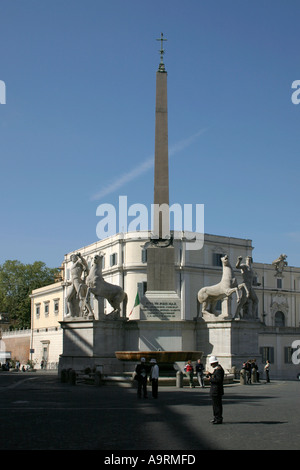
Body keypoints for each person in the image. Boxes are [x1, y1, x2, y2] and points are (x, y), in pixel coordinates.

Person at [206, 356, 224, 424]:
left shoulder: (219, 370)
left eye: (212, 363)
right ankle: (216, 417)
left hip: (217, 390)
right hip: (215, 390)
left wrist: (210, 379)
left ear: (215, 363)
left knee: (217, 405)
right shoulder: (217, 369)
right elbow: (215, 377)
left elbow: (218, 380)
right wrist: (210, 374)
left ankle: (218, 418)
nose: (211, 365)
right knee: (215, 405)